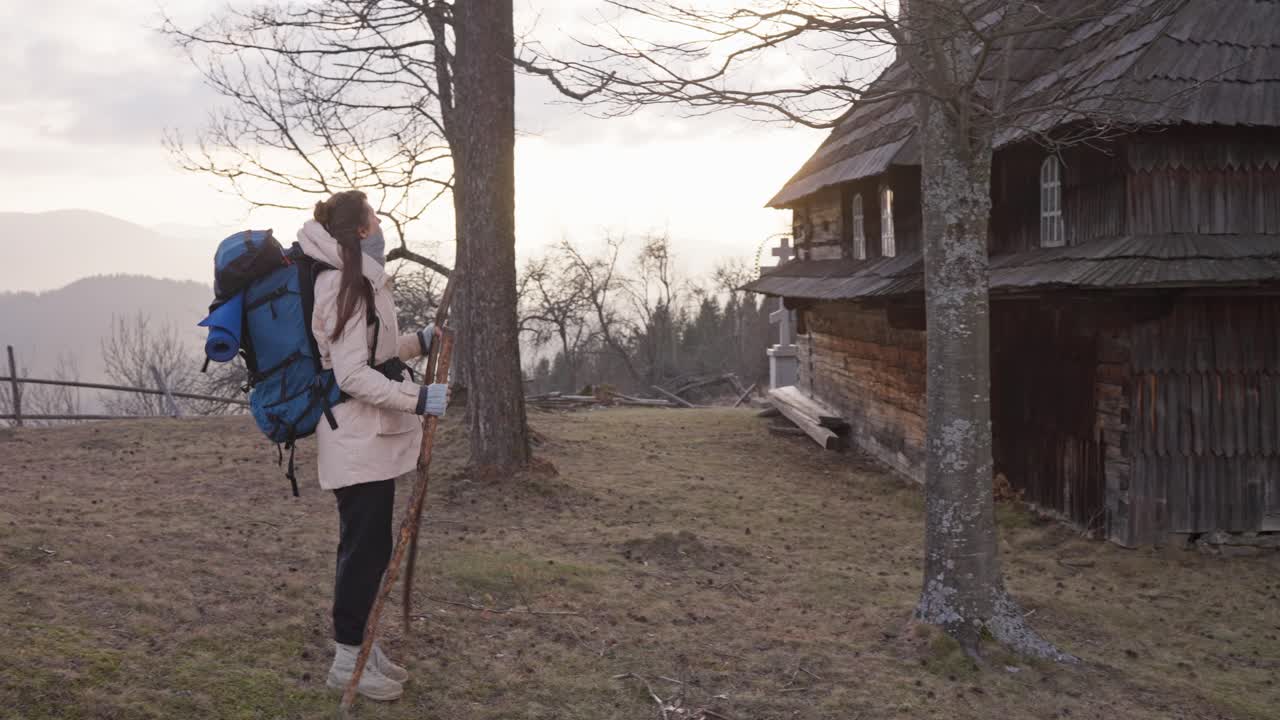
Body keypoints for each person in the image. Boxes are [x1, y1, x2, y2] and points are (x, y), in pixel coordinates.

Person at [298, 190, 448, 702]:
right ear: (362, 230)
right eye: (376, 218)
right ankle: (347, 660)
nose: (382, 225)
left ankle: (363, 647)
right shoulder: (344, 285)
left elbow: (375, 352)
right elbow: (352, 374)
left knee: (370, 547)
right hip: (355, 438)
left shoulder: (356, 280)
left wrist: (419, 342)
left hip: (366, 437)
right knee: (363, 552)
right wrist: (418, 398)